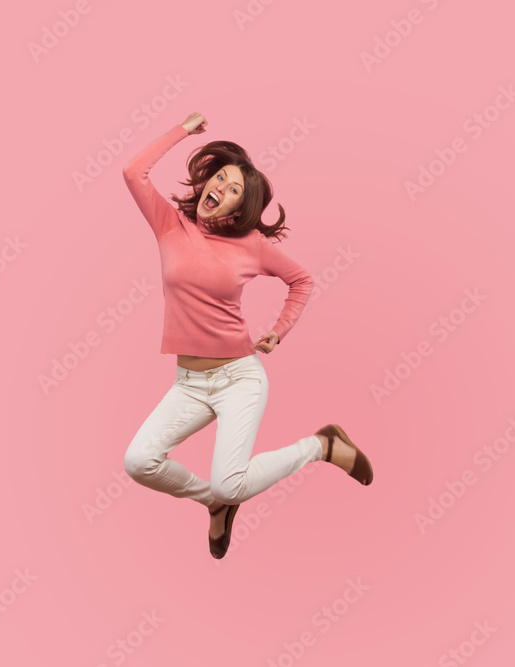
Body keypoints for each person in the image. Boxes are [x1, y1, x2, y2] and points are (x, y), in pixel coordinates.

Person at [122, 112, 373, 559]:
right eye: (220, 178)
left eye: (234, 189)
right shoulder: (169, 225)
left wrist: (279, 330)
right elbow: (132, 171)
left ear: (240, 208)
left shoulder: (252, 245)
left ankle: (322, 445)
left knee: (231, 480)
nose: (221, 188)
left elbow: (302, 280)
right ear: (205, 183)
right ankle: (214, 504)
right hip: (189, 384)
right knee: (139, 463)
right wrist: (183, 130)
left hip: (238, 377)